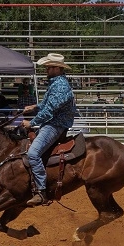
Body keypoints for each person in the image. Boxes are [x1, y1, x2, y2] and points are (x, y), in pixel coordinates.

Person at [21, 53, 77, 207]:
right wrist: (35, 107)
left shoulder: (60, 86)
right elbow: (47, 104)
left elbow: (49, 111)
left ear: (58, 69)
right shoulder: (55, 83)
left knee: (33, 154)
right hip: (53, 122)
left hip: (55, 125)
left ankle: (41, 191)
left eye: (49, 66)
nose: (46, 69)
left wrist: (31, 123)